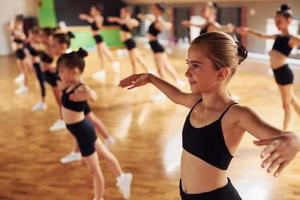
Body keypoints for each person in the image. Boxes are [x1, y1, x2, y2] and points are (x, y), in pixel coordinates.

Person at [119, 31, 300, 200]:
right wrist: (150, 78)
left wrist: (294, 140)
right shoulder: (197, 101)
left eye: (195, 66)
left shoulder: (236, 114)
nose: (187, 73)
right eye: (188, 64)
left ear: (221, 73)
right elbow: (176, 95)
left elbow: (285, 137)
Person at [58, 48, 132, 200]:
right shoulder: (69, 84)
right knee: (105, 154)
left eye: (62, 71)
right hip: (83, 130)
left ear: (74, 71)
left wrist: (89, 94)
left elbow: (93, 95)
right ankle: (123, 177)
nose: (60, 74)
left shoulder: (81, 87)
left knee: (94, 170)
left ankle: (99, 198)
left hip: (83, 132)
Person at [236, 4, 300, 130]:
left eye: (279, 21)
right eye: (276, 21)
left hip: (284, 73)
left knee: (286, 106)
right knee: (291, 101)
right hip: (278, 73)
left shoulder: (293, 39)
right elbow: (262, 35)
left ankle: (284, 132)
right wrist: (248, 30)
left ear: (289, 21)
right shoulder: (278, 36)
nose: (277, 23)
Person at [138, 3, 184, 86]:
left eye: (154, 8)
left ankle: (163, 92)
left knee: (160, 71)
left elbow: (167, 26)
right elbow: (144, 17)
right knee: (167, 66)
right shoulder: (154, 19)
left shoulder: (159, 20)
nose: (152, 9)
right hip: (156, 46)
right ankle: (178, 81)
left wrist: (167, 20)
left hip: (157, 47)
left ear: (159, 11)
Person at [79, 4, 120, 81]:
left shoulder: (99, 17)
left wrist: (91, 19)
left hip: (98, 38)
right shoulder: (94, 18)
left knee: (101, 55)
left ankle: (102, 70)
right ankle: (115, 63)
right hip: (97, 38)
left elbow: (99, 26)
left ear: (97, 11)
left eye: (93, 10)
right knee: (106, 52)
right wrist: (86, 17)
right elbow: (90, 20)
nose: (91, 11)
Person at [108, 6, 149, 74]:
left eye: (122, 12)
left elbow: (136, 23)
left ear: (127, 13)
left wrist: (115, 19)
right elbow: (121, 21)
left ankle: (136, 75)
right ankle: (148, 71)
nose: (120, 13)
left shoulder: (130, 20)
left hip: (130, 43)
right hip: (127, 43)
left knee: (134, 61)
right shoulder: (123, 20)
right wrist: (115, 19)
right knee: (138, 58)